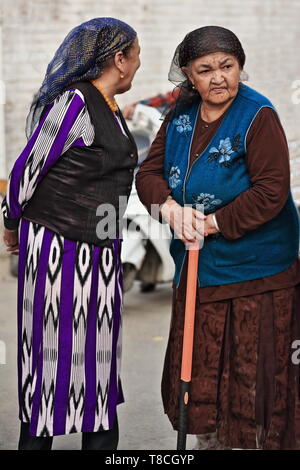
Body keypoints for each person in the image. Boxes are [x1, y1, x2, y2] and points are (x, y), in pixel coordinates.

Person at [136, 25, 300, 450]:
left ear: (240, 67)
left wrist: (208, 224)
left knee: (252, 374)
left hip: (258, 271)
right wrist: (171, 210)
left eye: (227, 66)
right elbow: (149, 173)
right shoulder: (180, 115)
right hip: (197, 267)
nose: (218, 77)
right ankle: (213, 442)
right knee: (203, 373)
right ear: (188, 75)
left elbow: (271, 191)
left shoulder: (258, 115)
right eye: (205, 69)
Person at [2, 17, 140, 450]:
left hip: (99, 256)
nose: (138, 64)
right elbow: (28, 168)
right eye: (135, 56)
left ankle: (97, 434)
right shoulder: (74, 104)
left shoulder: (111, 109)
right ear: (118, 60)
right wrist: (10, 222)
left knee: (96, 369)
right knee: (49, 364)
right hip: (58, 252)